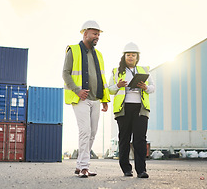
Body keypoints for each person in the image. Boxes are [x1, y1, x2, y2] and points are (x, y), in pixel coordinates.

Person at [62, 20, 110, 178]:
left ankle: (79, 165)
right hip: (80, 98)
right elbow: (66, 73)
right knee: (85, 131)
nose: (97, 37)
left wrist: (104, 98)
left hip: (95, 98)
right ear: (85, 34)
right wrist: (77, 91)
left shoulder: (99, 55)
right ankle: (84, 167)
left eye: (98, 34)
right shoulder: (73, 50)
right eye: (94, 34)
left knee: (93, 133)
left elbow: (101, 78)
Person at [109, 42, 155, 178]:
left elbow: (153, 88)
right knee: (124, 139)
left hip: (140, 108)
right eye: (128, 55)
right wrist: (118, 85)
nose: (130, 57)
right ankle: (126, 169)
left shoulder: (144, 71)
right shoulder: (116, 72)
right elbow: (109, 90)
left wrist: (145, 87)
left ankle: (141, 170)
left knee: (140, 140)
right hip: (123, 108)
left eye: (133, 55)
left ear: (137, 57)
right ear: (124, 57)